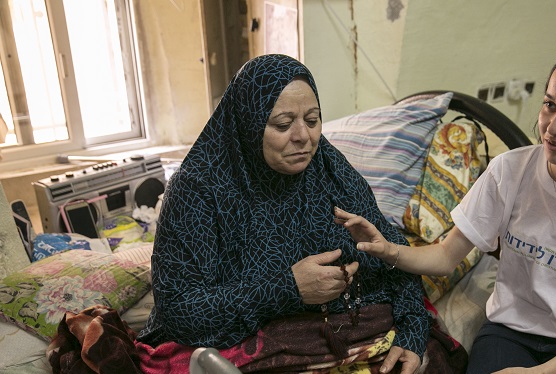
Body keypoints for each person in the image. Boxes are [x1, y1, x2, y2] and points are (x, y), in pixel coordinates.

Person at [335, 38, 556, 373]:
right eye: (550, 105)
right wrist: (387, 248)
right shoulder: (510, 171)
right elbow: (444, 256)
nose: (552, 127)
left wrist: (544, 372)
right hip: (510, 332)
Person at [135, 54, 437, 373]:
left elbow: (394, 256)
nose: (303, 137)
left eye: (312, 120)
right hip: (243, 343)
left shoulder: (333, 172)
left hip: (346, 331)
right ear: (249, 123)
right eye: (282, 124)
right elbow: (181, 312)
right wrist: (288, 288)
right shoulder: (198, 189)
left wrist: (412, 331)